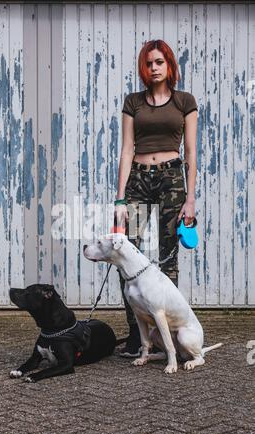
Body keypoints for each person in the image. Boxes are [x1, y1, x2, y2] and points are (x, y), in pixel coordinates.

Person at [114, 39, 198, 357]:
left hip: (172, 180)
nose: (154, 68)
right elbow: (126, 150)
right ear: (143, 68)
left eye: (159, 62)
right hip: (137, 179)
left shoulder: (184, 102)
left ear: (169, 65)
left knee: (168, 259)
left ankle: (170, 335)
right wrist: (120, 200)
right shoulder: (133, 102)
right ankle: (138, 336)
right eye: (149, 63)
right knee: (125, 256)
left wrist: (189, 200)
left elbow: (190, 153)